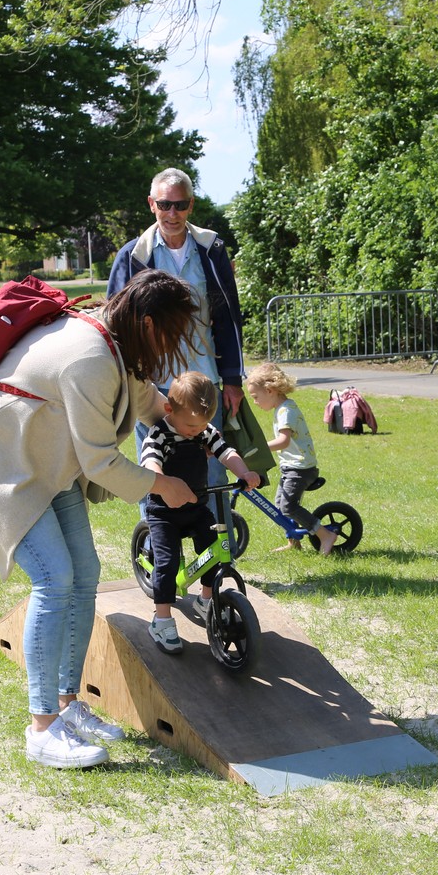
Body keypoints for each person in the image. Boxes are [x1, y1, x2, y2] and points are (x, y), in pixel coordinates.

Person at [0, 270, 200, 769]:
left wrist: (198, 431)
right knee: (55, 579)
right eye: (172, 332)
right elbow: (100, 462)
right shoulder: (90, 357)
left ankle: (66, 703)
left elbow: (149, 401)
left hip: (44, 461)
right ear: (148, 323)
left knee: (85, 574)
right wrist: (164, 484)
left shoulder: (117, 339)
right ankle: (42, 729)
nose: (175, 344)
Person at [107, 168, 246, 511]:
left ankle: (215, 538)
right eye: (165, 205)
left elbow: (228, 317)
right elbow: (114, 325)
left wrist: (232, 379)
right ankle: (157, 540)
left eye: (180, 205)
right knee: (154, 468)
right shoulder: (133, 256)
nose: (172, 213)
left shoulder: (211, 248)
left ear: (190, 205)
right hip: (151, 384)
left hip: (204, 381)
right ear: (151, 204)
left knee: (212, 468)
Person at [139, 371, 261, 655]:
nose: (197, 431)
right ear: (169, 409)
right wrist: (162, 481)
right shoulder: (159, 434)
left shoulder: (203, 430)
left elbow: (226, 452)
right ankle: (162, 620)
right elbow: (150, 462)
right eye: (191, 425)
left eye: (203, 425)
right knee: (167, 563)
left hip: (196, 507)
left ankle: (205, 599)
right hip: (165, 512)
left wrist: (244, 473)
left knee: (215, 550)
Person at [243, 363, 340, 555]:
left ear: (269, 391)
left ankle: (325, 535)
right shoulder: (282, 408)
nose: (255, 402)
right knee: (281, 506)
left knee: (288, 506)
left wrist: (260, 449)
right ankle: (293, 541)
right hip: (292, 467)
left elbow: (284, 441)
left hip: (300, 469)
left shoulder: (286, 411)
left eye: (255, 397)